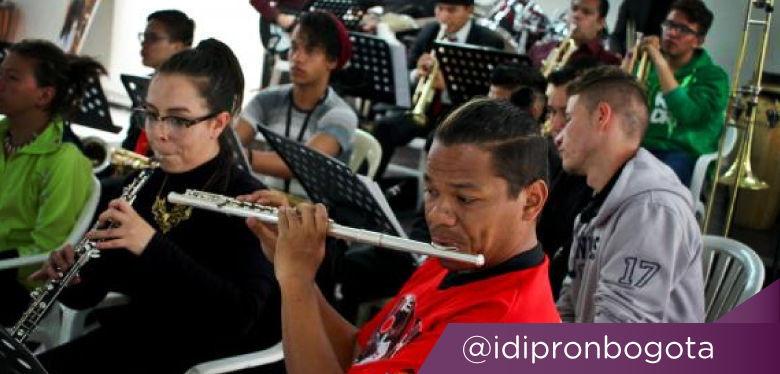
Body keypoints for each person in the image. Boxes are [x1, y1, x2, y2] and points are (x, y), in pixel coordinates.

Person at [244, 98, 560, 374]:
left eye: (465, 199)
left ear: (531, 200)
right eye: (432, 191)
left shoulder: (497, 331)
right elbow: (365, 351)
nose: (437, 215)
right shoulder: (458, 258)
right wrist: (301, 273)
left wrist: (295, 281)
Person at [35, 39, 282, 374]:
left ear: (218, 123)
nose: (159, 134)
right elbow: (88, 297)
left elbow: (237, 317)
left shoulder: (246, 202)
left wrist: (150, 245)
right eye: (151, 115)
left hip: (200, 358)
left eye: (179, 120)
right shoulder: (142, 184)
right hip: (135, 342)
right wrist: (72, 276)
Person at [554, 66, 704, 323]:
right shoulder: (599, 202)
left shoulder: (652, 209)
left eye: (569, 119)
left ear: (602, 116)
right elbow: (570, 309)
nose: (558, 136)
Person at [0, 39, 99, 326]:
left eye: (12, 77)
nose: (0, 81)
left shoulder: (65, 159)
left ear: (44, 96)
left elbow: (48, 251)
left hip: (21, 284)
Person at [372, 0, 505, 180]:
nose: (443, 16)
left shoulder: (489, 40)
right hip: (424, 109)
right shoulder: (430, 31)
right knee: (384, 127)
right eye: (440, 9)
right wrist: (416, 74)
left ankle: (430, 201)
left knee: (437, 140)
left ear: (469, 10)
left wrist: (448, 87)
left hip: (458, 114)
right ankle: (372, 184)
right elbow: (406, 73)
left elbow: (485, 94)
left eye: (451, 9)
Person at [236, 11, 358, 179]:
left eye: (310, 50)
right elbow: (232, 143)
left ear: (332, 61)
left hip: (313, 205)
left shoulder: (341, 115)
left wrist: (235, 156)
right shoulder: (266, 99)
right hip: (264, 199)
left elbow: (302, 164)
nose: (297, 57)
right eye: (294, 47)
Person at [636, 0, 729, 186]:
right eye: (669, 25)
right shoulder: (648, 66)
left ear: (699, 41)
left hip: (683, 154)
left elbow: (688, 114)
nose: (672, 33)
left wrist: (660, 62)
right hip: (642, 147)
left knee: (650, 182)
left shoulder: (713, 76)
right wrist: (634, 55)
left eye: (683, 30)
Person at [537, 62, 597, 299]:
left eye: (567, 115)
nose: (556, 125)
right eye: (552, 112)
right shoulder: (553, 160)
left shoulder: (595, 182)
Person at [122, 9, 195, 155]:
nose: (144, 43)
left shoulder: (190, 91)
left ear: (178, 47)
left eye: (152, 38)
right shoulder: (146, 84)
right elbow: (131, 141)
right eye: (144, 37)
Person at [528, 0, 620, 69]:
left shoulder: (609, 63)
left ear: (600, 23)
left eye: (586, 12)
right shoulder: (540, 50)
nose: (576, 15)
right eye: (574, 9)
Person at [609, 0, 675, 56]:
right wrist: (618, 57)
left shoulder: (680, 4)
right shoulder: (632, 2)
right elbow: (616, 37)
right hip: (631, 60)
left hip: (666, 62)